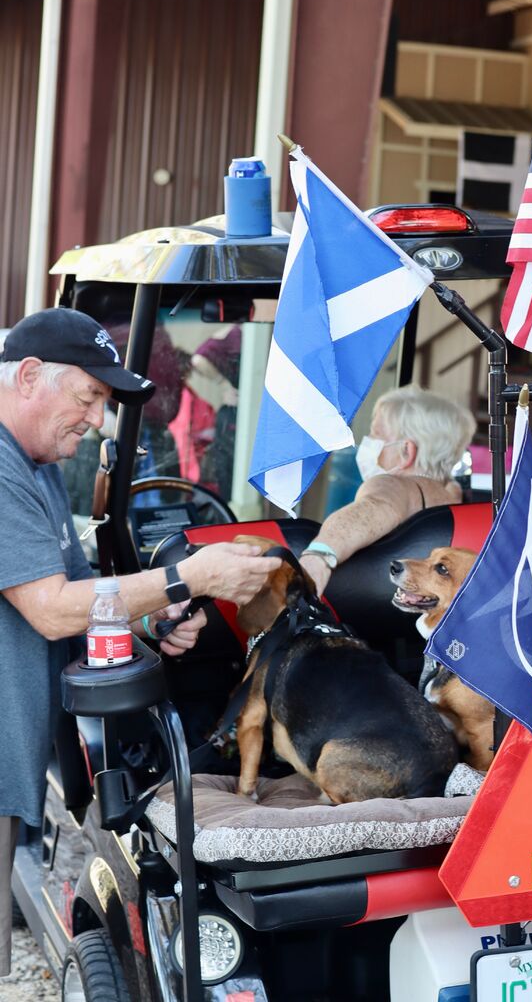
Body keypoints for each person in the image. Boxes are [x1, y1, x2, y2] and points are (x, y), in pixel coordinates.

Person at [0, 307, 280, 976]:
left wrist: (152, 618)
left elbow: (80, 594)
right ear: (31, 375)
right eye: (90, 396)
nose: (98, 419)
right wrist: (188, 576)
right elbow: (50, 611)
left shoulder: (34, 464)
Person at [299, 385, 476, 597]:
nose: (369, 443)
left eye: (376, 435)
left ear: (406, 451)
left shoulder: (394, 485)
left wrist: (320, 555)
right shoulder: (455, 498)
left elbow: (372, 509)